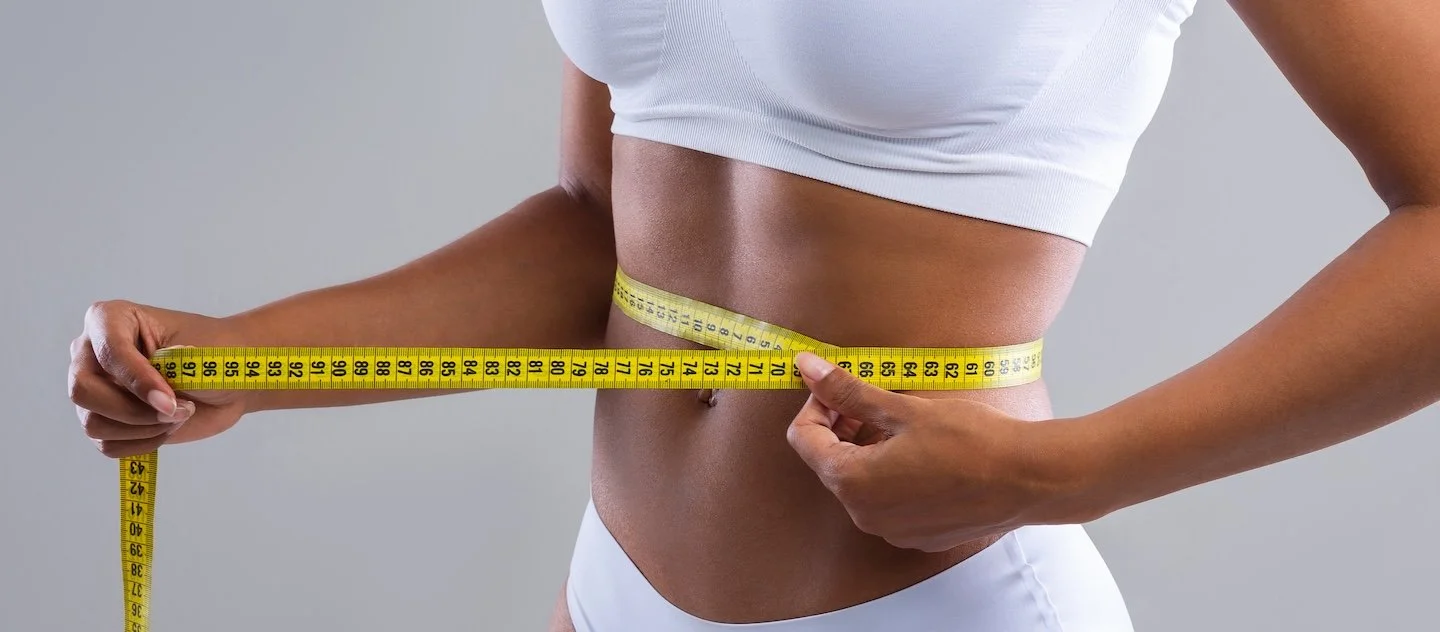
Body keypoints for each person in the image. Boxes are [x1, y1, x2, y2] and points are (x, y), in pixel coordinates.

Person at [66, 1, 1440, 630]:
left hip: (938, 603)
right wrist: (254, 357)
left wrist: (1065, 474)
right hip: (612, 591)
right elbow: (603, 230)